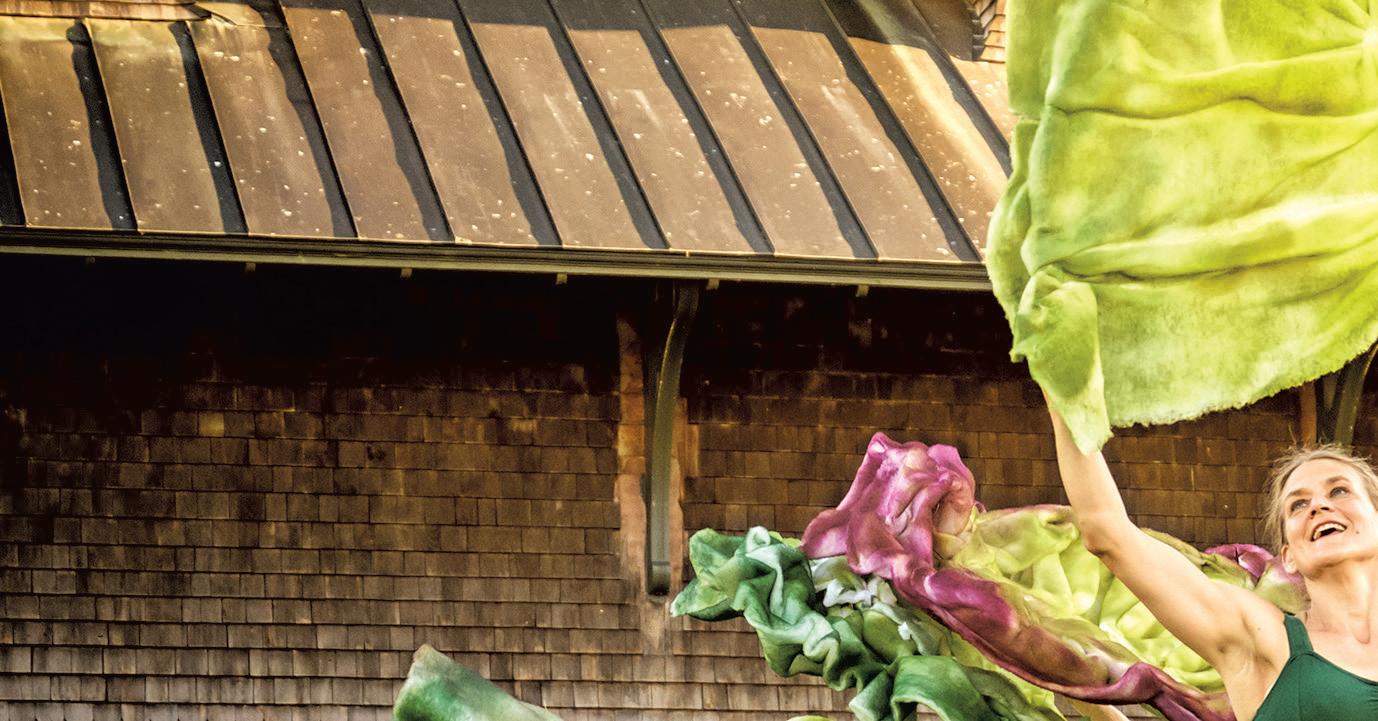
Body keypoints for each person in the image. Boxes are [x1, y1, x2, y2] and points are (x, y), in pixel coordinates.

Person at [1047, 404, 1378, 721]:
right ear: (1288, 557)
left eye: (1339, 491)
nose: (1318, 505)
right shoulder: (1261, 638)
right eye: (1298, 505)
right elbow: (1110, 535)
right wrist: (1066, 400)